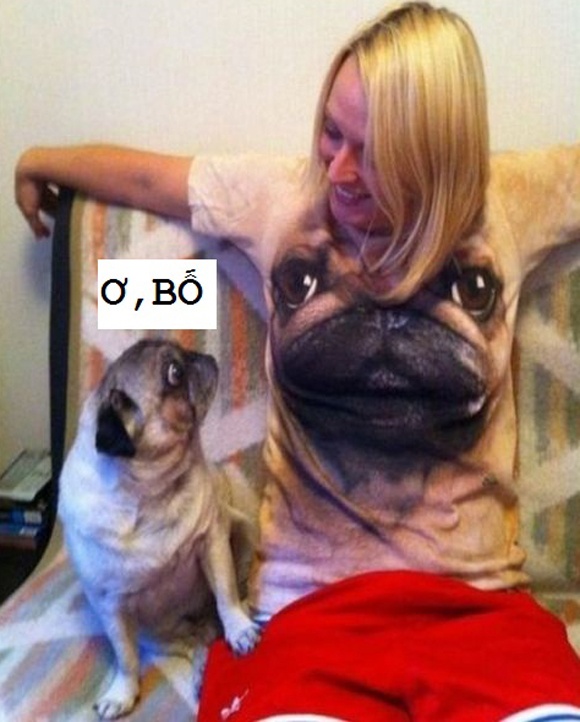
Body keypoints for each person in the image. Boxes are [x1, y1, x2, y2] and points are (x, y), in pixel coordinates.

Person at [14, 3, 580, 720]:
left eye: (373, 153)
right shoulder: (285, 196)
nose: (338, 169)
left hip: (478, 607)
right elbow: (154, 182)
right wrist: (37, 160)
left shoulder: (506, 203)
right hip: (308, 604)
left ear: (438, 157)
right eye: (330, 132)